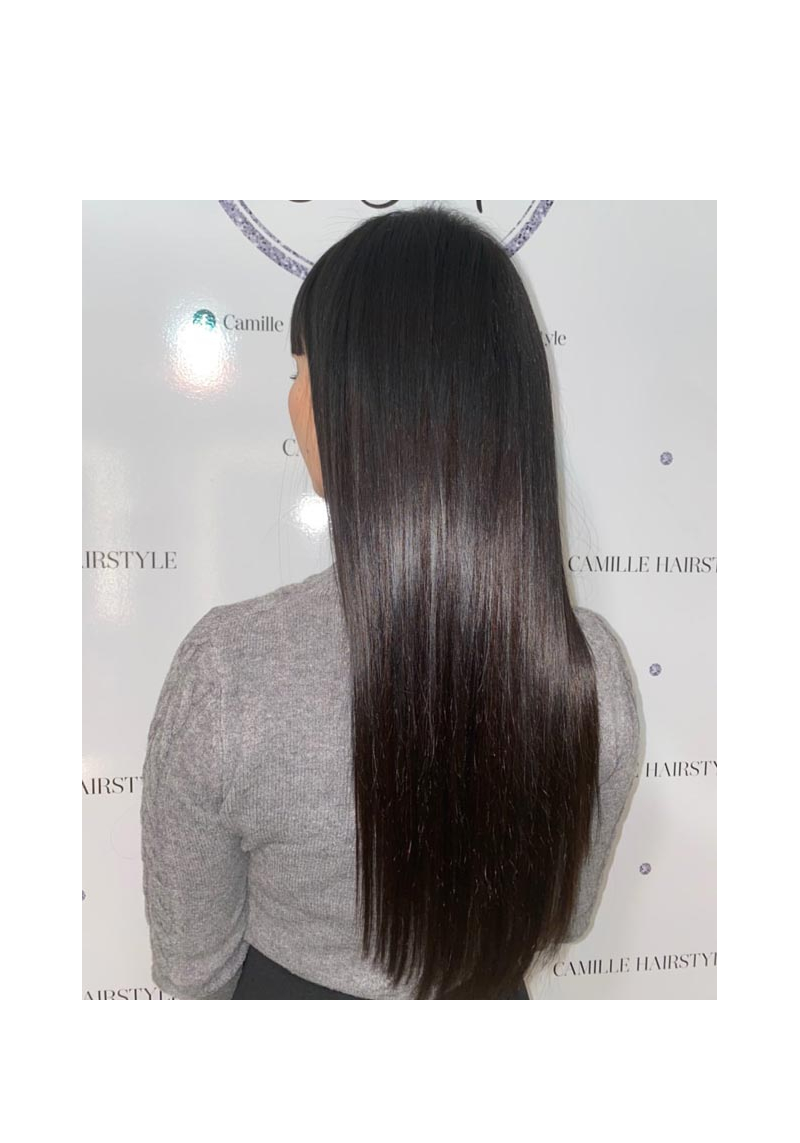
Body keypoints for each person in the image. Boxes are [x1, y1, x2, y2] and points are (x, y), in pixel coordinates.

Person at [140, 203, 642, 1000]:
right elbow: (566, 916)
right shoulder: (591, 668)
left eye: (300, 371)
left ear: (363, 404)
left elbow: (192, 967)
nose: (292, 400)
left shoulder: (230, 672)